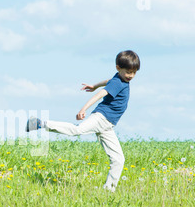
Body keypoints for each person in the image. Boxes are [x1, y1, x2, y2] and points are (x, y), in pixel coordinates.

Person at [26, 50, 140, 192]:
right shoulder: (119, 82)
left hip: (107, 125)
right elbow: (101, 94)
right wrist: (83, 109)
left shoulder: (119, 79)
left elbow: (108, 82)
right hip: (101, 118)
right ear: (118, 68)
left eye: (134, 72)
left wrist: (94, 85)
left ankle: (108, 191)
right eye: (128, 72)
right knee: (77, 130)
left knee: (118, 159)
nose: (131, 76)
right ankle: (39, 123)